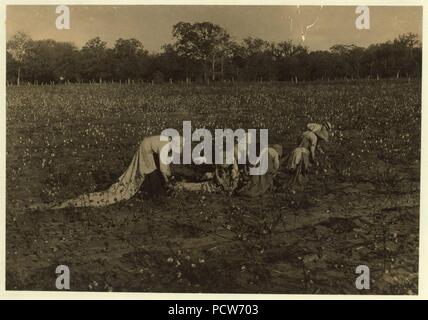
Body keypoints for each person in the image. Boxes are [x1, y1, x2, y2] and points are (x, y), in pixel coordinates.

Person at [29, 135, 184, 210]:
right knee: (150, 173)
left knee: (151, 173)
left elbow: (166, 164)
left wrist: (167, 177)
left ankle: (152, 191)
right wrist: (168, 181)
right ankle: (152, 194)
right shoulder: (165, 146)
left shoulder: (167, 143)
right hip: (146, 148)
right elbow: (164, 167)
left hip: (148, 146)